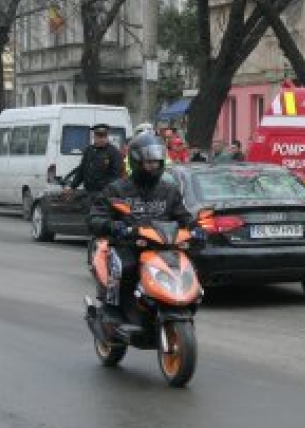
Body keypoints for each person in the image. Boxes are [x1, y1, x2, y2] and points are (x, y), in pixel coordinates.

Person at [88, 134, 202, 323]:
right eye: (148, 163)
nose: (153, 167)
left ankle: (187, 298)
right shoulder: (117, 190)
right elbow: (95, 217)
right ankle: (112, 308)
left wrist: (194, 227)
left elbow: (182, 215)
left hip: (162, 245)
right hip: (128, 243)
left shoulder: (168, 190)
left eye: (156, 163)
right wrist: (112, 225)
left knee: (188, 264)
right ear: (136, 162)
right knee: (125, 266)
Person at [63, 124, 124, 198]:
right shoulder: (89, 150)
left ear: (107, 136)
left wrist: (103, 186)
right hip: (89, 192)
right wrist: (72, 186)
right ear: (94, 137)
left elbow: (116, 176)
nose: (101, 139)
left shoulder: (114, 152)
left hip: (105, 194)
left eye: (104, 136)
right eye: (99, 136)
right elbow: (81, 170)